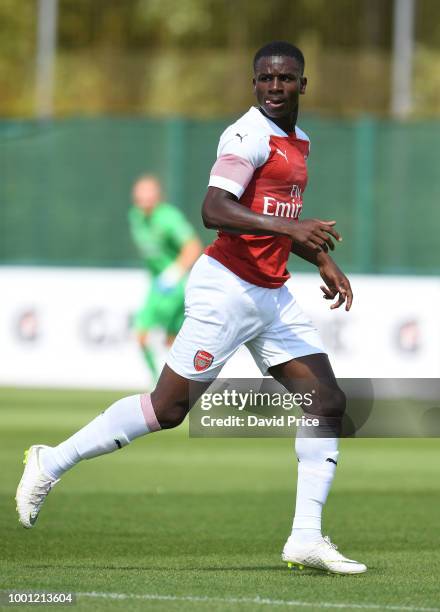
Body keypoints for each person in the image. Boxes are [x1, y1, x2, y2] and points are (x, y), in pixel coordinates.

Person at [16, 41, 366, 575]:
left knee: (327, 401)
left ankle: (305, 537)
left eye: (285, 78)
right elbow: (215, 209)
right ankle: (50, 461)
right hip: (226, 289)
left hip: (271, 294)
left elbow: (267, 213)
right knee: (167, 410)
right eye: (265, 79)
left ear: (303, 84)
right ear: (254, 85)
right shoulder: (245, 135)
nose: (275, 87)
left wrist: (317, 257)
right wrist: (295, 229)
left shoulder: (300, 141)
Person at [128, 175, 202, 380]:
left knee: (167, 339)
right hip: (156, 285)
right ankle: (156, 384)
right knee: (145, 336)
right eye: (140, 192)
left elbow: (192, 246)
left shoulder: (169, 217)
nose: (144, 196)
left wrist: (173, 274)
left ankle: (173, 386)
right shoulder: (135, 217)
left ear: (157, 195)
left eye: (148, 191)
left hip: (174, 285)